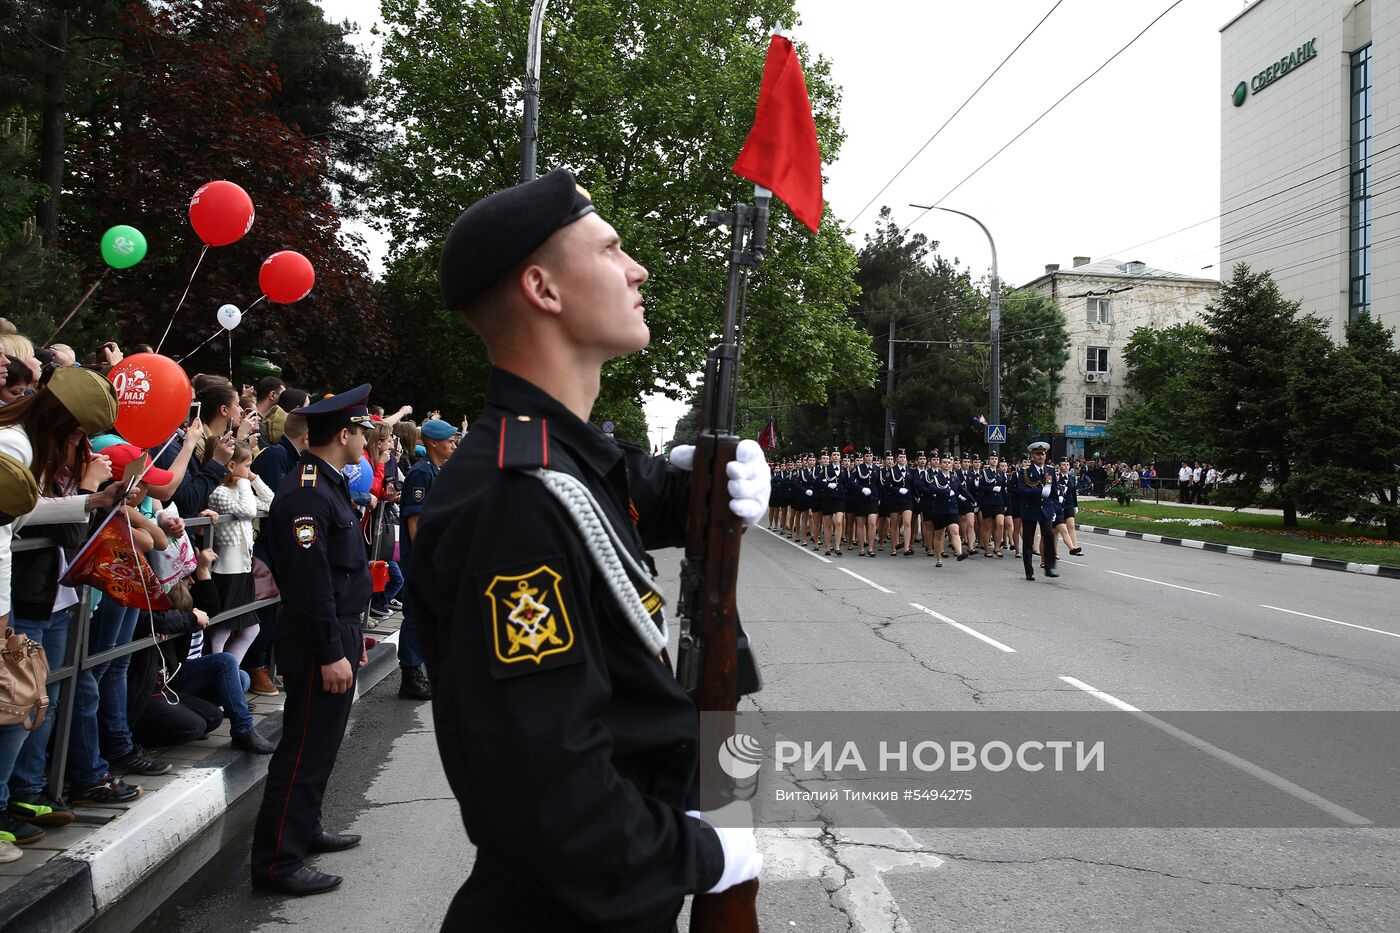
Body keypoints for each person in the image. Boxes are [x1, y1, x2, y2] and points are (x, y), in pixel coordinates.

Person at [411, 169, 767, 930]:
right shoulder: (514, 498)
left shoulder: (560, 462)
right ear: (543, 289)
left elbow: (625, 494)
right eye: (611, 249)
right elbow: (553, 799)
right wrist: (707, 858)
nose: (637, 268)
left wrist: (710, 476)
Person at [250, 386, 374, 897]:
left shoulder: (323, 482)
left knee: (320, 746)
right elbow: (307, 577)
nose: (367, 438)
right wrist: (330, 649)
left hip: (334, 626)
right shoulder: (307, 490)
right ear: (343, 434)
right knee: (303, 750)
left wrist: (349, 636)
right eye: (363, 430)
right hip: (316, 634)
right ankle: (279, 862)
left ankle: (305, 828)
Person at [394, 417, 457, 700]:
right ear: (433, 442)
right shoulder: (422, 473)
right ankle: (410, 675)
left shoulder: (437, 470)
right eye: (449, 440)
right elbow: (415, 521)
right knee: (416, 616)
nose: (453, 444)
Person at [1013, 441, 1060, 581]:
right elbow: (1022, 490)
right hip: (1030, 509)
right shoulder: (1025, 472)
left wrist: (1056, 508)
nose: (1041, 457)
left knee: (1049, 538)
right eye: (1038, 454)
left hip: (1046, 509)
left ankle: (1049, 567)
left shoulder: (1050, 470)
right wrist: (1040, 491)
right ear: (1032, 456)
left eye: (1043, 454)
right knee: (1028, 541)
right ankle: (1029, 571)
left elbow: (1054, 491)